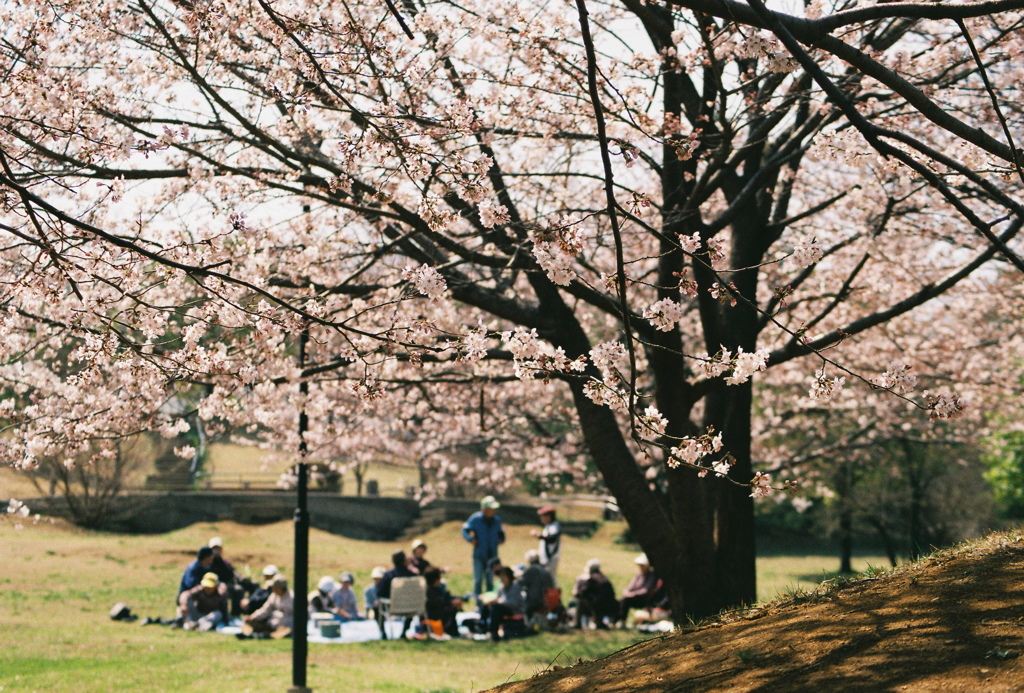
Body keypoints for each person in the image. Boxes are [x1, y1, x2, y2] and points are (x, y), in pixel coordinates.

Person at [462, 496, 506, 600]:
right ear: (484, 509)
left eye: (494, 509)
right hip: (479, 555)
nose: (493, 511)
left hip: (492, 556)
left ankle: (489, 603)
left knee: (490, 581)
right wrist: (470, 539)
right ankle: (479, 604)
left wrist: (502, 539)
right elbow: (464, 530)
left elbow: (501, 533)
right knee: (478, 580)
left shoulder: (496, 520)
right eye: (491, 508)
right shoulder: (476, 519)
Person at [208, 536, 253, 616]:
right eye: (214, 548)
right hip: (218, 585)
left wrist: (242, 579)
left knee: (251, 585)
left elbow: (233, 573)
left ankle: (249, 610)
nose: (216, 550)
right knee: (238, 590)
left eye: (218, 548)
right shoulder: (209, 563)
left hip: (229, 583)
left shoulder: (225, 562)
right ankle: (234, 614)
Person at [378, 551, 417, 639]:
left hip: (392, 607)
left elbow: (380, 593)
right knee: (411, 602)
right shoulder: (413, 575)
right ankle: (404, 632)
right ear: (404, 561)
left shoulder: (388, 576)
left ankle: (383, 633)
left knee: (377, 607)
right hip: (412, 607)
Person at [482, 567, 525, 641]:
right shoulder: (501, 588)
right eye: (501, 576)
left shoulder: (515, 587)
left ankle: (493, 632)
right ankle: (483, 626)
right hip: (502, 609)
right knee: (489, 606)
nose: (502, 578)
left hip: (513, 611)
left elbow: (514, 603)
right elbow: (497, 599)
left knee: (497, 608)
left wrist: (499, 602)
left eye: (504, 576)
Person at [618, 554, 663, 626]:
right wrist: (627, 592)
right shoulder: (639, 575)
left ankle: (622, 621)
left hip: (645, 599)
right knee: (621, 600)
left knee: (626, 600)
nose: (640, 567)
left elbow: (646, 591)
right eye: (639, 565)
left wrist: (632, 594)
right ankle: (619, 620)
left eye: (642, 565)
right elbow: (631, 586)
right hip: (635, 597)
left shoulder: (652, 576)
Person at [573, 558, 617, 629]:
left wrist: (577, 589)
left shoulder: (591, 579)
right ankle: (598, 621)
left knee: (581, 600)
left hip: (598, 607)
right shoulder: (604, 578)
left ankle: (577, 623)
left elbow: (582, 593)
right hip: (610, 607)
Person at [424, 567, 463, 637]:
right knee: (451, 610)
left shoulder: (435, 589)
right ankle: (451, 631)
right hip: (432, 615)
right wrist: (452, 603)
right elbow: (437, 603)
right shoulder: (429, 591)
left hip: (436, 611)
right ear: (435, 580)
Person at [520, 550, 555, 617]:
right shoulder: (546, 569)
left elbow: (521, 583)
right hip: (549, 600)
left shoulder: (531, 570)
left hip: (536, 601)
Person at [531, 506, 561, 578]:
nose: (541, 518)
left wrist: (538, 535)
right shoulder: (549, 526)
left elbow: (552, 539)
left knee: (550, 579)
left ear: (549, 516)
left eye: (543, 516)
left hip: (551, 558)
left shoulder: (554, 526)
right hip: (546, 558)